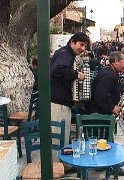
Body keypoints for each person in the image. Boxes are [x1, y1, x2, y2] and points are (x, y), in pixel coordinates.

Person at [86, 51, 124, 176]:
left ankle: (103, 163)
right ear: (116, 62)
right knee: (105, 140)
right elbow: (101, 95)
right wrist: (112, 108)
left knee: (104, 140)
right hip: (101, 113)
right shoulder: (108, 74)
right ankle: (105, 164)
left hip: (101, 112)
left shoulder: (109, 72)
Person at [50, 32, 90, 163]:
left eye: (85, 46)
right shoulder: (65, 54)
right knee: (57, 138)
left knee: (62, 136)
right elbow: (58, 70)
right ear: (72, 42)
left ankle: (60, 165)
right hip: (58, 102)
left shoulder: (66, 53)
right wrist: (77, 75)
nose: (83, 48)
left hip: (60, 102)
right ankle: (55, 167)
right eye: (81, 44)